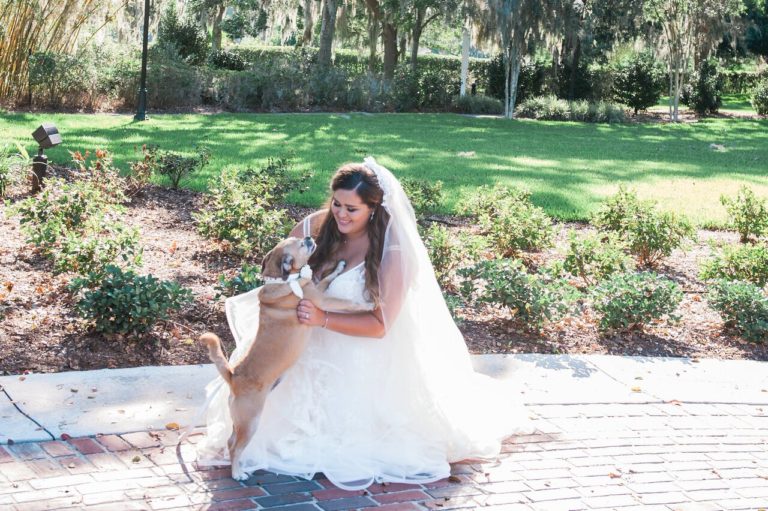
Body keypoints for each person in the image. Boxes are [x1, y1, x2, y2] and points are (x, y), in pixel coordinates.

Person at [197, 157, 530, 490]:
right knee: (267, 431)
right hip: (299, 350)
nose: (341, 214)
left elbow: (380, 326)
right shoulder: (314, 227)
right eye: (337, 204)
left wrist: (322, 317)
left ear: (373, 208)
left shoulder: (392, 249)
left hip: (361, 356)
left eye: (352, 209)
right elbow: (282, 277)